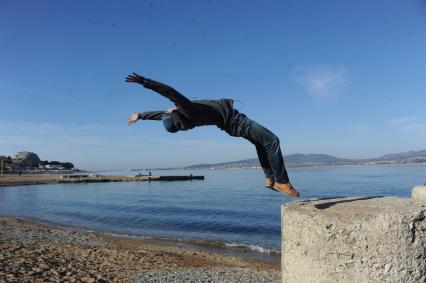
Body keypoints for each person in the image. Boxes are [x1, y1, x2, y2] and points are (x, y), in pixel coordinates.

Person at [125, 73, 300, 197]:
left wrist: (141, 116)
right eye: (170, 111)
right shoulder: (187, 109)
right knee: (272, 141)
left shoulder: (182, 121)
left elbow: (160, 116)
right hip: (237, 122)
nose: (168, 109)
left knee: (260, 144)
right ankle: (282, 182)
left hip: (231, 127)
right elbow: (169, 92)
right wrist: (144, 81)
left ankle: (270, 178)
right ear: (176, 113)